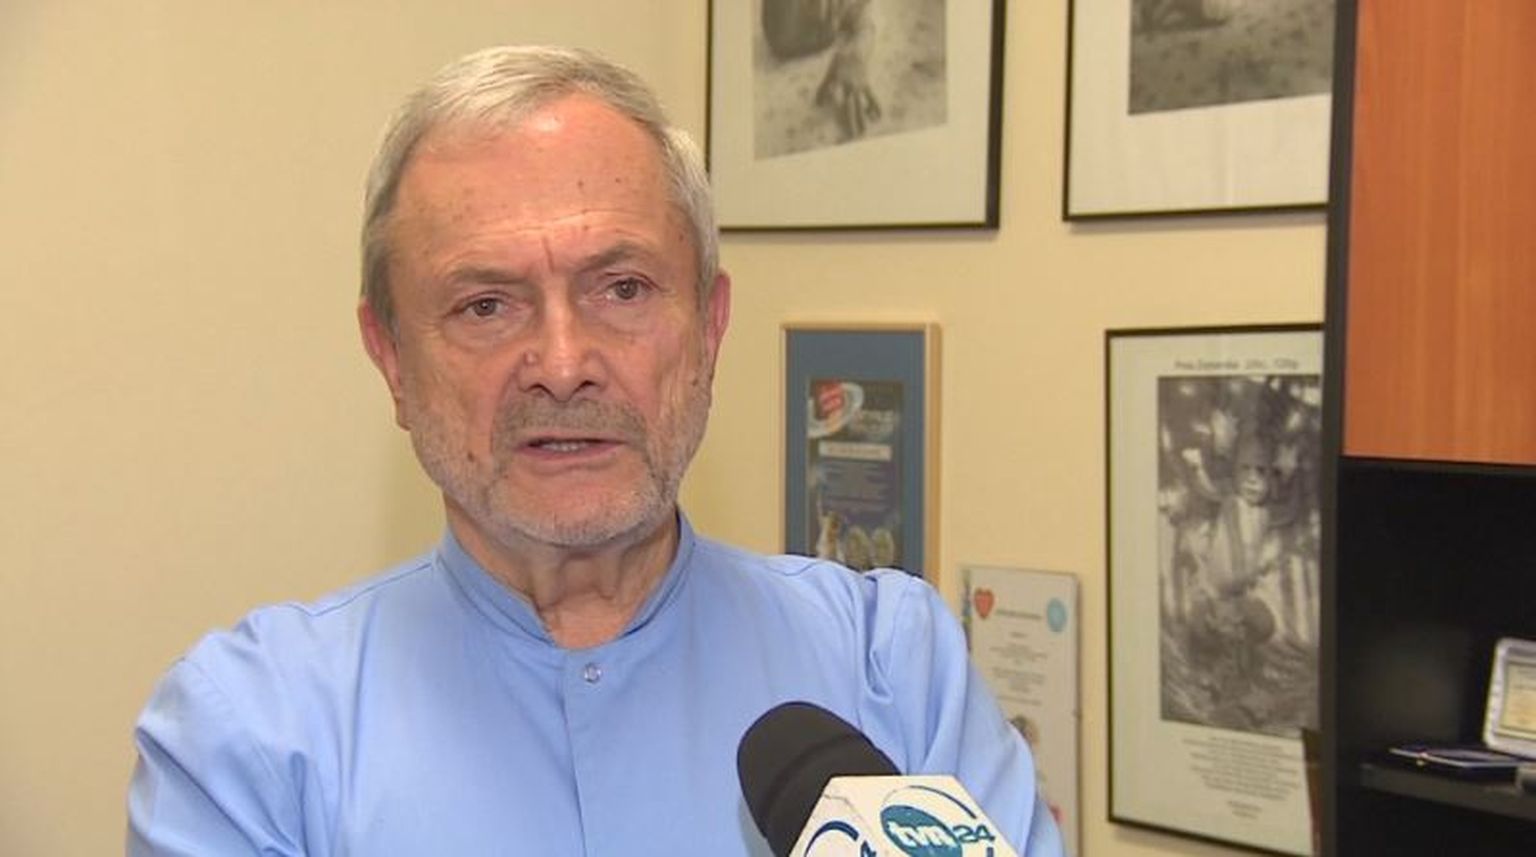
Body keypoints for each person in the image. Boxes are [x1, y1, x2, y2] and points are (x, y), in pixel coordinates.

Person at [127, 45, 1064, 856]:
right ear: (392, 358)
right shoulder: (252, 736)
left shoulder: (892, 671)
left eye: (622, 288)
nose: (564, 364)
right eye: (486, 305)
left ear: (710, 329)